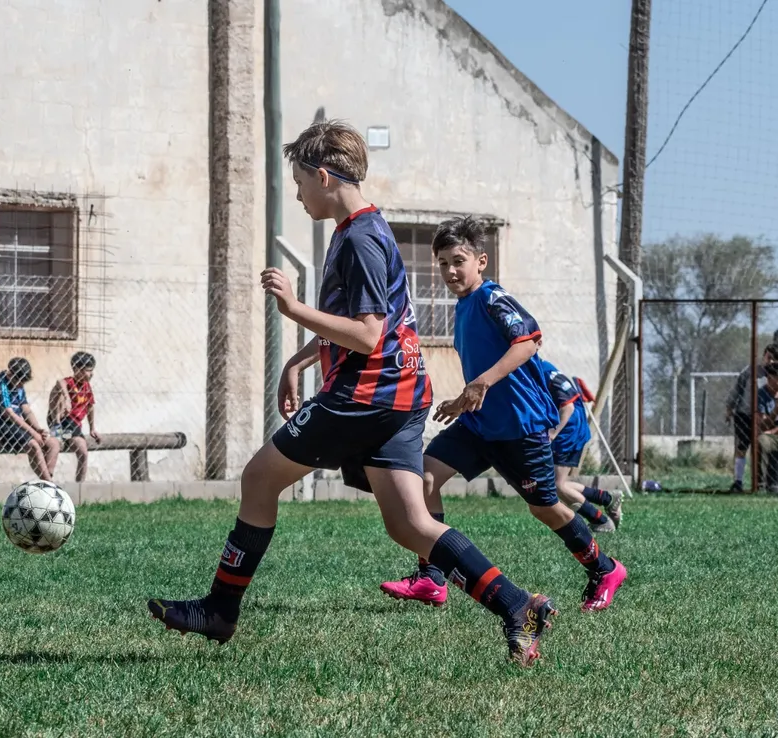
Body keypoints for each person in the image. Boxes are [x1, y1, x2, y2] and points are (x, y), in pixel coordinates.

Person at [147, 121, 557, 666]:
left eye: (298, 182)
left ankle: (220, 611)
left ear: (323, 175)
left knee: (257, 478)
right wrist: (301, 358)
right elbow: (363, 322)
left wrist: (292, 310)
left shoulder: (360, 238)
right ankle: (516, 606)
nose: (296, 194)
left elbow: (367, 334)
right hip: (401, 393)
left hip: (364, 396)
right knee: (409, 524)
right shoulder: (361, 228)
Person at [380, 216, 626, 613]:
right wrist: (465, 400)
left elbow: (527, 341)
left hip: (519, 427)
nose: (450, 271)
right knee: (424, 476)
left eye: (458, 260)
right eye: (442, 263)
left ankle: (605, 569)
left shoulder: (493, 298)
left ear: (482, 261)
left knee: (545, 508)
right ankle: (431, 578)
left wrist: (480, 384)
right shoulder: (463, 308)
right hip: (479, 425)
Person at [541, 359, 623, 532]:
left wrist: (554, 433)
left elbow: (568, 407)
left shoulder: (547, 375)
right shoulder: (545, 369)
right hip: (572, 431)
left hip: (569, 433)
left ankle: (600, 520)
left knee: (556, 486)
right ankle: (607, 498)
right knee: (558, 483)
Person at [0, 357, 60, 481]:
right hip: (2, 425)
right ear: (10, 374)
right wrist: (33, 433)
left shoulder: (19, 385)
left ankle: (47, 479)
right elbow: (9, 414)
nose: (20, 385)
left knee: (54, 444)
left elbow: (26, 410)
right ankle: (49, 484)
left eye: (23, 383)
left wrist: (38, 429)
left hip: (18, 425)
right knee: (34, 445)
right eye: (19, 381)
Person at [725, 344, 778, 493]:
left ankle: (761, 483)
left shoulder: (775, 373)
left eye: (775, 359)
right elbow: (737, 388)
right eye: (769, 358)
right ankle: (738, 481)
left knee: (761, 447)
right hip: (745, 414)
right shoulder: (751, 371)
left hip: (765, 416)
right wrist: (729, 408)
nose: (771, 362)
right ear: (764, 356)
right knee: (741, 448)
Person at [48, 351, 101, 482]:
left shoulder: (86, 387)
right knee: (58, 392)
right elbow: (60, 382)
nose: (90, 374)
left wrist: (92, 428)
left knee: (83, 452)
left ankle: (80, 487)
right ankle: (56, 429)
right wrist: (67, 398)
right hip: (63, 419)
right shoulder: (70, 382)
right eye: (87, 371)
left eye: (91, 370)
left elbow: (90, 407)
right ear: (76, 369)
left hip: (74, 426)